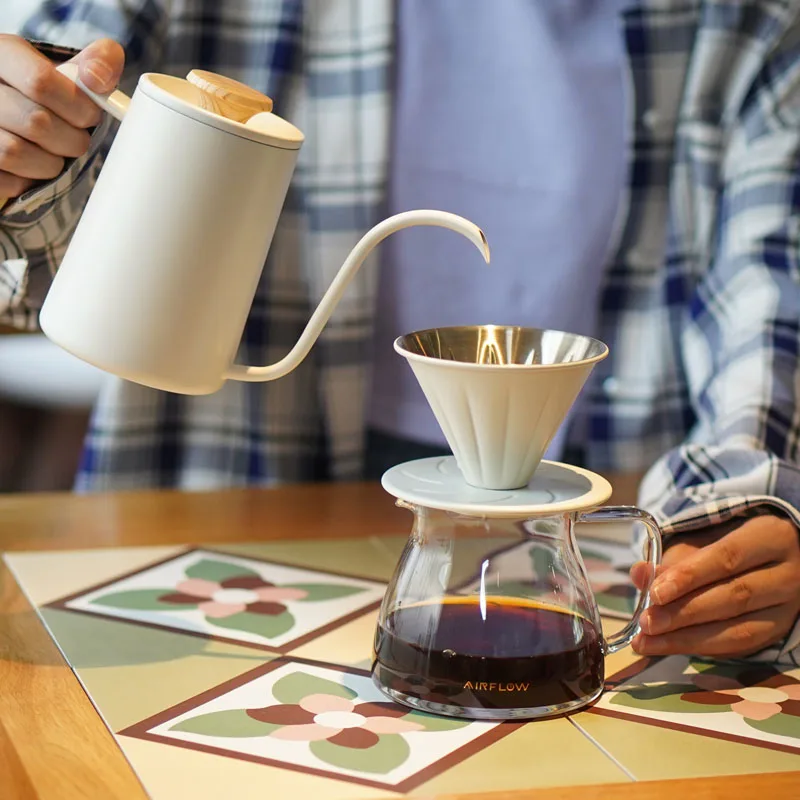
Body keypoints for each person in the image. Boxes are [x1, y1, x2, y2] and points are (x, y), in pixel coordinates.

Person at [0, 1, 798, 665]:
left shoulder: (753, 25)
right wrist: (24, 141)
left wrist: (741, 508)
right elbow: (55, 129)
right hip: (225, 519)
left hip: (604, 524)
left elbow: (773, 293)